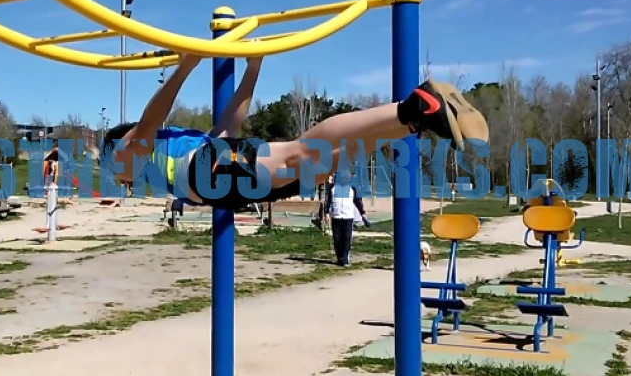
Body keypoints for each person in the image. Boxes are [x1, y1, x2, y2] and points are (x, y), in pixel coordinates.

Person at [101, 54, 488, 209]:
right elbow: (231, 122)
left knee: (300, 153)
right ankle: (415, 119)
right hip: (214, 176)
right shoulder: (181, 146)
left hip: (205, 175)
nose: (120, 180)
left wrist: (186, 66)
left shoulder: (131, 152)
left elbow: (150, 120)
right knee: (324, 164)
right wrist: (253, 69)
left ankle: (412, 107)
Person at [325, 174, 370, 266]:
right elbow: (328, 201)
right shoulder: (332, 189)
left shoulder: (352, 189)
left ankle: (345, 258)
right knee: (337, 239)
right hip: (336, 217)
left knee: (346, 238)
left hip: (348, 217)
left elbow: (358, 202)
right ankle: (340, 258)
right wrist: (326, 213)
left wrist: (363, 213)